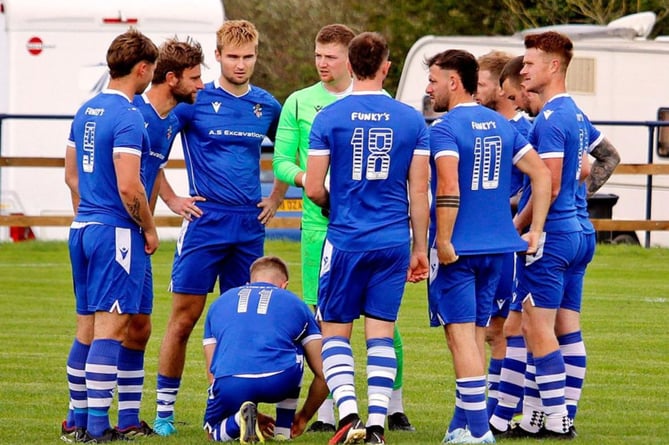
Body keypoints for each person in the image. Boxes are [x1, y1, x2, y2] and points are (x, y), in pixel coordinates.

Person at [272, 23, 415, 433]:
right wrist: (304, 181)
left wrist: (332, 195)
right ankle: (329, 411)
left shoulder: (364, 110)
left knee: (374, 321)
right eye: (317, 54)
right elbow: (283, 161)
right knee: (326, 317)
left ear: (349, 63)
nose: (322, 62)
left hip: (347, 229)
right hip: (325, 229)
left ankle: (391, 405)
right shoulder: (300, 103)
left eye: (330, 56)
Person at [153, 19, 285, 436]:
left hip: (249, 226)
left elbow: (291, 152)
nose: (241, 64)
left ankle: (234, 411)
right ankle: (164, 413)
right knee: (185, 318)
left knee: (241, 324)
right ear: (218, 57)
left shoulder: (267, 105)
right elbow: (150, 152)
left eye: (248, 57)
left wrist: (278, 195)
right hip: (204, 224)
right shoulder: (193, 100)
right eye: (233, 57)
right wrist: (172, 199)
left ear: (256, 56)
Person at [305, 31, 430, 445]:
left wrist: (331, 205)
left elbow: (313, 187)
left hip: (344, 239)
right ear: (386, 67)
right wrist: (418, 247)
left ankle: (348, 414)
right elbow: (418, 192)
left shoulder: (328, 117)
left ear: (350, 65)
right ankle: (377, 423)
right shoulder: (412, 119)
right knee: (381, 332)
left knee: (335, 329)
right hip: (393, 240)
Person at [424, 49, 551, 444]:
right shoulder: (501, 125)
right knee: (477, 334)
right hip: (500, 250)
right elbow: (542, 175)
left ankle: (478, 433)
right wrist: (536, 230)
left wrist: (442, 240)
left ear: (453, 82)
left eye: (433, 80)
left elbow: (448, 187)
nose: (428, 89)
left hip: (460, 249)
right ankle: (460, 426)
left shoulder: (444, 129)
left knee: (460, 337)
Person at [63, 28, 159, 443]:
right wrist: (149, 227)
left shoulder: (86, 110)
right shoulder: (128, 117)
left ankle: (76, 422)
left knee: (86, 327)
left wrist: (89, 213)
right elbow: (129, 186)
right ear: (142, 69)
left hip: (82, 227)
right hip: (115, 233)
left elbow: (70, 175)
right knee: (112, 329)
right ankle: (101, 428)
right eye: (152, 70)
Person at [506, 31, 596, 439]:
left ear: (553, 66)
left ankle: (556, 421)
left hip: (555, 236)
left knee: (535, 328)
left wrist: (523, 227)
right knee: (566, 328)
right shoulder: (576, 113)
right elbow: (590, 167)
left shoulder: (550, 117)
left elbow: (551, 183)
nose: (523, 69)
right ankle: (545, 415)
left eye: (529, 63)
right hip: (579, 232)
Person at [202, 256, 329, 443]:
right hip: (279, 380)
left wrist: (241, 407)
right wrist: (304, 417)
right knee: (296, 349)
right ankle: (284, 429)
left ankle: (238, 421)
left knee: (212, 432)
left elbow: (213, 369)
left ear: (248, 282)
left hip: (230, 383)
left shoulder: (219, 304)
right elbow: (324, 373)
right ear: (284, 285)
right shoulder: (296, 303)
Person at [475, 50, 531, 419]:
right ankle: (499, 408)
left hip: (512, 245)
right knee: (495, 329)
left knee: (508, 328)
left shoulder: (521, 130)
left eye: (480, 83)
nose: (475, 90)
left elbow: (557, 176)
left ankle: (505, 409)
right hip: (488, 242)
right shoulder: (483, 125)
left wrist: (518, 216)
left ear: (500, 86)